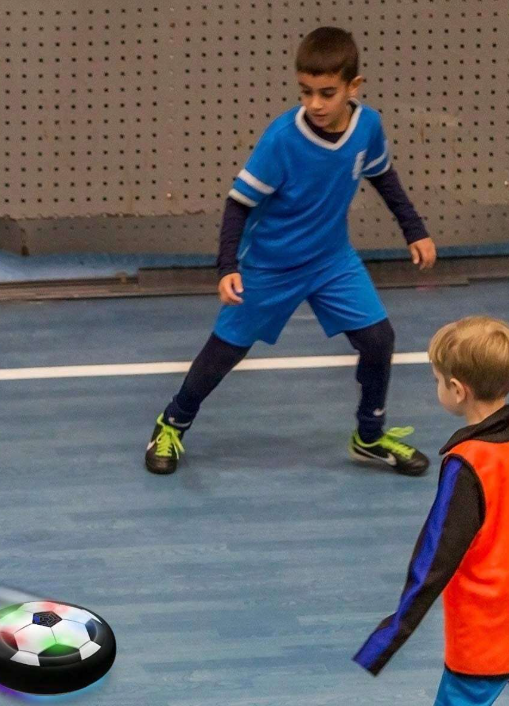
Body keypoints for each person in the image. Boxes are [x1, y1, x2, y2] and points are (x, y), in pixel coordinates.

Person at [144, 26, 437, 477]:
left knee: (379, 341)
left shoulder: (368, 127)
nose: (315, 104)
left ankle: (369, 436)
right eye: (305, 92)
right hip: (271, 266)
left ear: (353, 87)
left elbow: (384, 177)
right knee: (225, 351)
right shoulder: (282, 138)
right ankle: (172, 422)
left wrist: (414, 230)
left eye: (326, 93)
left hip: (332, 260)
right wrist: (227, 267)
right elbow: (239, 203)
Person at [354, 316, 509, 706]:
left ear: (458, 390)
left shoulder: (468, 462)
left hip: (489, 630)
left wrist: (386, 638)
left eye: (439, 379)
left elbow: (434, 561)